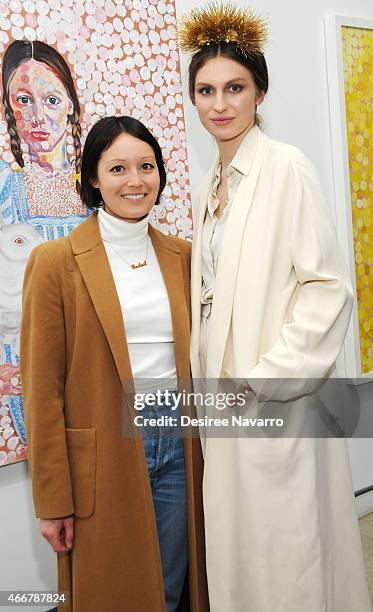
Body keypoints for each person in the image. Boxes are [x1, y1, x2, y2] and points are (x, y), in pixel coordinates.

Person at [178, 3, 371, 612]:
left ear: (259, 92)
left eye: (234, 88)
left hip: (274, 400)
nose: (220, 104)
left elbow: (326, 290)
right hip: (225, 404)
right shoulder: (212, 183)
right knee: (242, 550)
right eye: (206, 90)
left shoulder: (287, 168)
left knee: (289, 551)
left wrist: (261, 379)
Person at [21, 116, 208, 612]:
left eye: (147, 166)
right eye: (118, 167)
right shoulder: (55, 262)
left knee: (170, 586)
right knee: (112, 591)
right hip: (104, 450)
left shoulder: (183, 256)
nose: (135, 180)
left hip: (177, 439)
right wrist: (52, 500)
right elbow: (42, 393)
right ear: (92, 179)